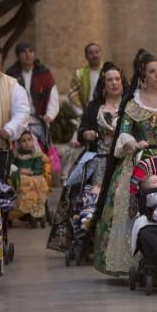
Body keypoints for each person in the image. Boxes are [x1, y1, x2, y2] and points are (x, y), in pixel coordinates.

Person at [87, 51, 157, 276]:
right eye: (152, 72)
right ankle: (137, 256)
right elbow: (124, 131)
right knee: (131, 200)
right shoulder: (132, 102)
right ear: (143, 75)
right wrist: (132, 143)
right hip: (141, 160)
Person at [47, 62, 125, 253]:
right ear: (103, 84)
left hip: (124, 161)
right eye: (109, 80)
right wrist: (86, 134)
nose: (114, 83)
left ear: (122, 82)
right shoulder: (94, 106)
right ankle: (83, 236)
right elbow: (82, 130)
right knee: (74, 187)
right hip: (98, 158)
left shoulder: (131, 106)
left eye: (117, 79)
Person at [6, 42, 60, 168]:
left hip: (39, 119)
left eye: (30, 51)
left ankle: (42, 172)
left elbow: (53, 95)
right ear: (18, 56)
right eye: (23, 52)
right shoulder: (11, 74)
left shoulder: (44, 73)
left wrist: (49, 116)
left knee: (42, 146)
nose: (27, 55)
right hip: (18, 120)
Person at [10, 128, 52, 227]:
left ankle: (34, 208)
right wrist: (19, 171)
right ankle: (18, 210)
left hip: (34, 177)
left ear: (33, 141)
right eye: (23, 141)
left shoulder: (36, 155)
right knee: (17, 183)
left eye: (29, 140)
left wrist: (30, 172)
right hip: (18, 177)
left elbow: (38, 170)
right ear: (19, 143)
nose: (27, 143)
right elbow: (11, 166)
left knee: (35, 184)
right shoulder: (15, 155)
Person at [68, 43, 103, 116]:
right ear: (86, 56)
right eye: (91, 53)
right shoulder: (79, 74)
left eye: (97, 52)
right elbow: (73, 95)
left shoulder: (108, 72)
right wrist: (81, 113)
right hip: (87, 112)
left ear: (101, 53)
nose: (95, 55)